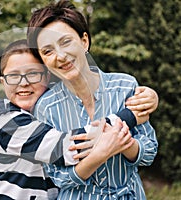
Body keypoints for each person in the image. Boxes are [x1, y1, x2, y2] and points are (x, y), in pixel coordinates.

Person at [0, 39, 158, 199]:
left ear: (47, 77)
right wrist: (131, 115)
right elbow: (67, 147)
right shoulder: (5, 118)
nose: (23, 83)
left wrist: (149, 96)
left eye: (33, 74)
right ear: (2, 82)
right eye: (13, 76)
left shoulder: (51, 108)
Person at [27, 0, 158, 199]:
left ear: (84, 41)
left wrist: (124, 143)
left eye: (65, 42)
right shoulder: (45, 108)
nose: (60, 56)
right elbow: (58, 177)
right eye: (48, 51)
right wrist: (101, 153)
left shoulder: (125, 86)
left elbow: (149, 150)